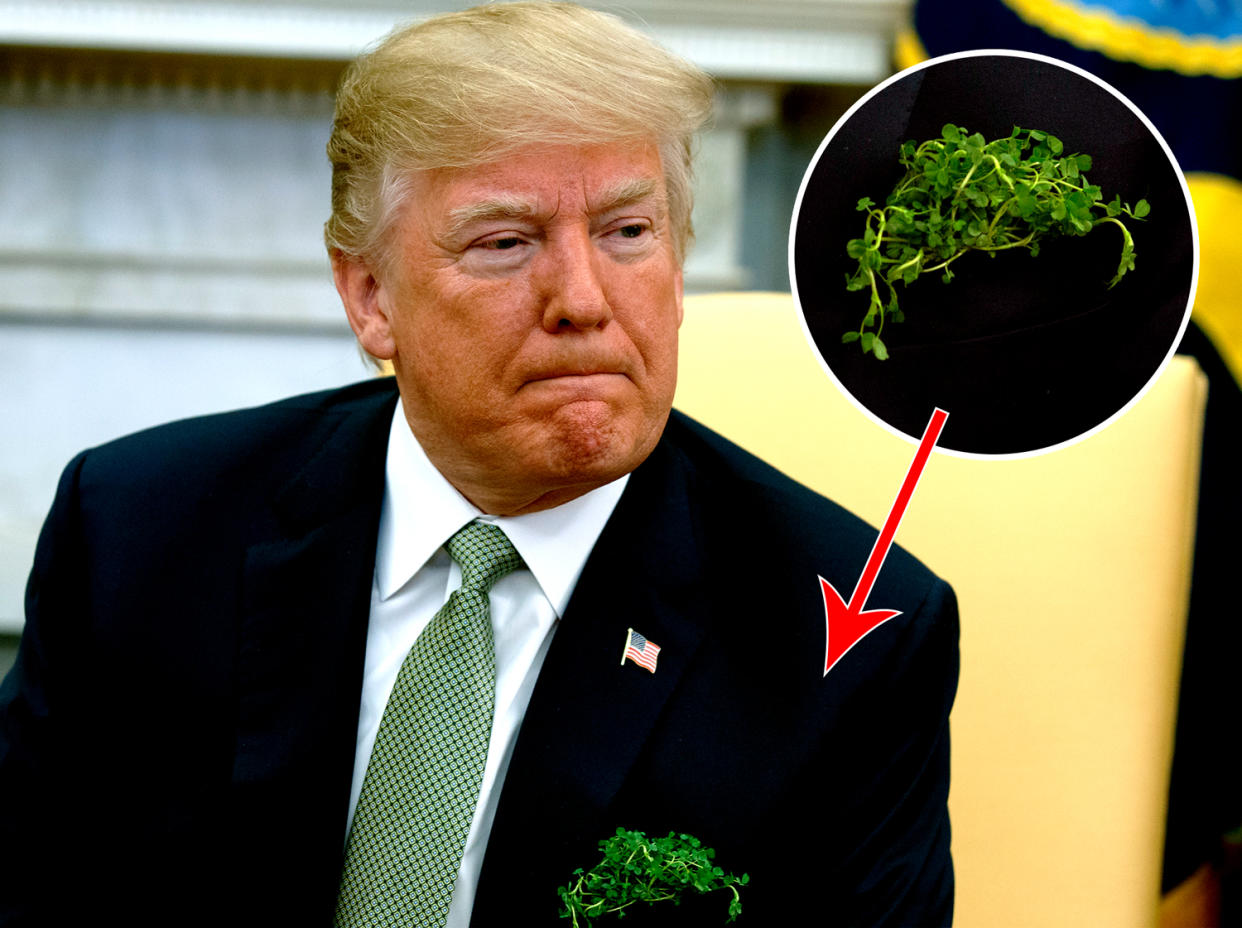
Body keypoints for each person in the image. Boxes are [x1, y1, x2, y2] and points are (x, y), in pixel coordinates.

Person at [0, 3, 958, 926]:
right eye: (506, 244)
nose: (584, 300)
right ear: (371, 297)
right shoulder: (135, 530)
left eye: (629, 232)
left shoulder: (848, 640)